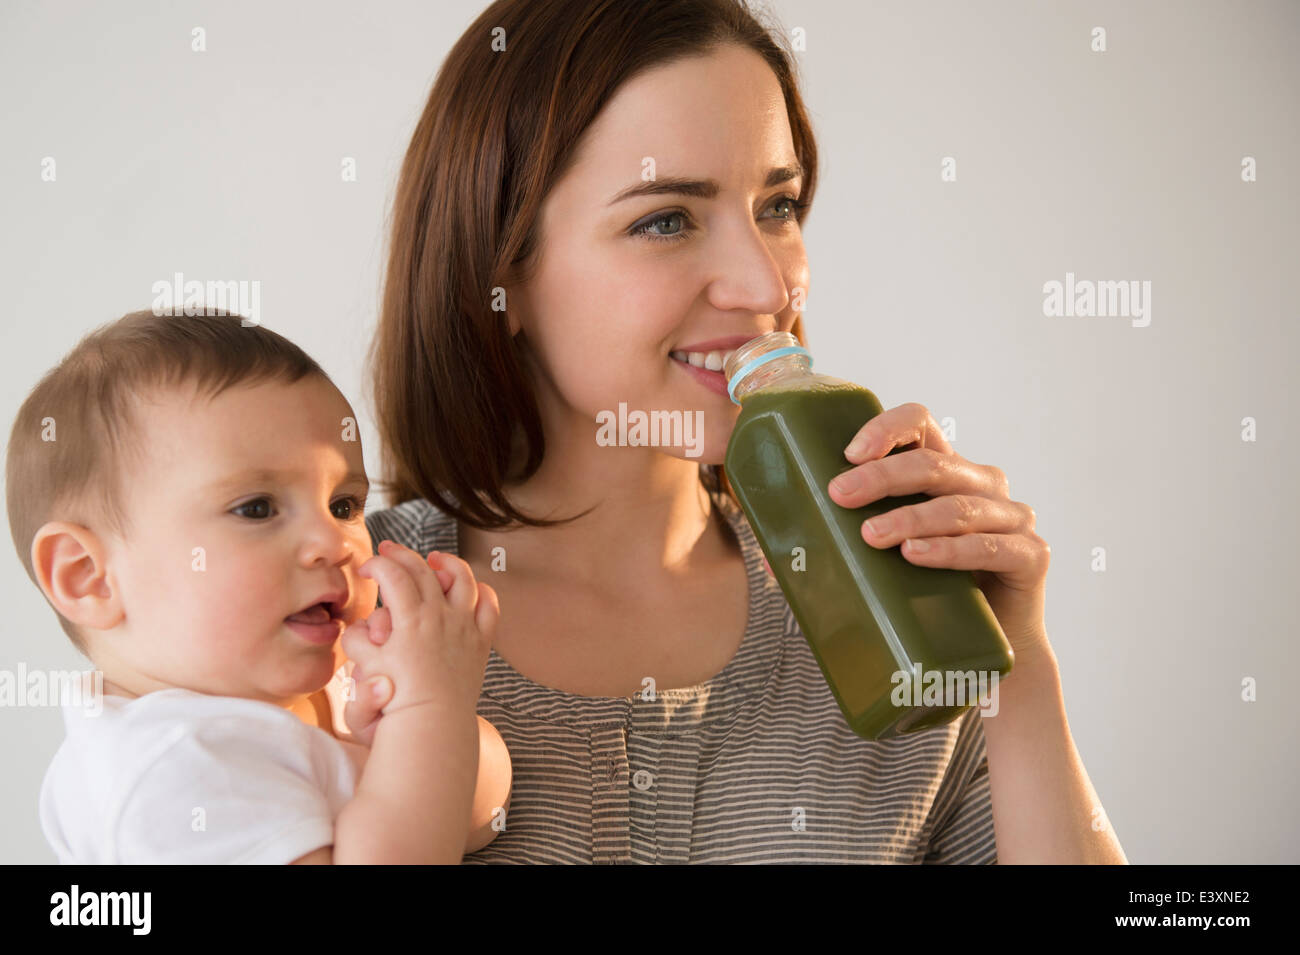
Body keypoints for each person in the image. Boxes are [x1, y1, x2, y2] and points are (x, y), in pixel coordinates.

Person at [345, 0, 1128, 863]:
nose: (763, 285)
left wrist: (1014, 672)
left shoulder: (899, 620)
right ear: (503, 275)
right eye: (667, 219)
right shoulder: (340, 609)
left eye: (779, 205)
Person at [7, 309, 511, 864]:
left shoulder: (323, 695)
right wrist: (429, 709)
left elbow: (482, 815)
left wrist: (410, 730)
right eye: (257, 508)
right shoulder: (170, 770)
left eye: (343, 505)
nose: (333, 541)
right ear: (89, 577)